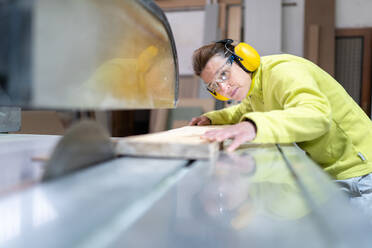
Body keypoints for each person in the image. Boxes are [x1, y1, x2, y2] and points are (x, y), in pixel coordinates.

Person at [189, 39, 372, 217]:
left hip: (361, 172)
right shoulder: (254, 88)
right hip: (333, 171)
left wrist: (253, 127)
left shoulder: (283, 71)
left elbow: (316, 114)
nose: (223, 88)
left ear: (243, 58)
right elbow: (240, 111)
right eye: (214, 86)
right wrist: (210, 119)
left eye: (223, 74)